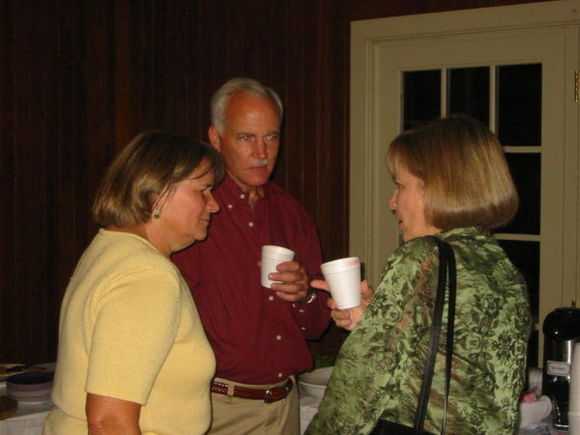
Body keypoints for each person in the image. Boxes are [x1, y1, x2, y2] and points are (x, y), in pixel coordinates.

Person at [305, 115, 531, 435]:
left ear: (437, 188)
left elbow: (359, 388)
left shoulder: (422, 258)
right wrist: (377, 319)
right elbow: (469, 380)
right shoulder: (503, 270)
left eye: (400, 186)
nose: (392, 202)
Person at [172, 77, 331, 435]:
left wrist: (304, 295)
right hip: (217, 407)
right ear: (216, 138)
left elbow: (317, 325)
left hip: (286, 403)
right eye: (246, 137)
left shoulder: (292, 213)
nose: (262, 152)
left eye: (271, 137)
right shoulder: (192, 213)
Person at [43, 131, 223, 435]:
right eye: (203, 190)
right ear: (158, 192)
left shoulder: (111, 247)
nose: (214, 205)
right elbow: (109, 421)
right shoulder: (147, 274)